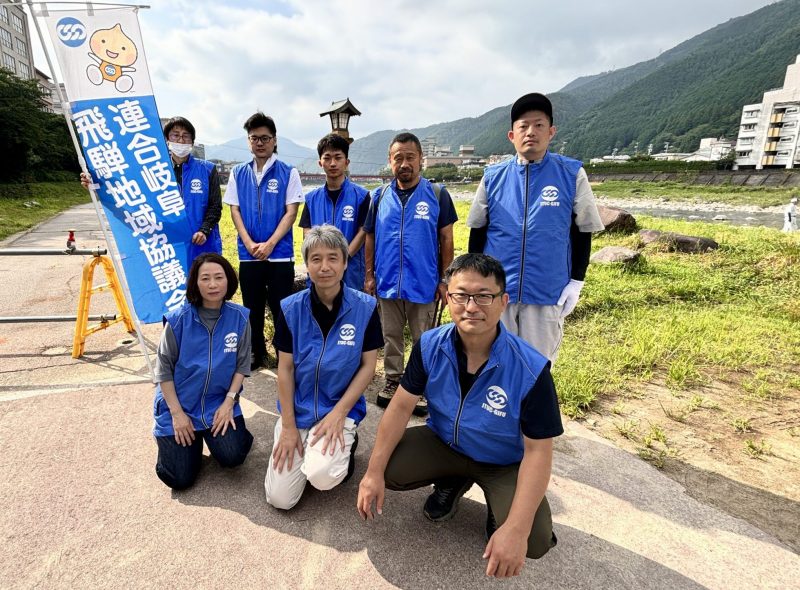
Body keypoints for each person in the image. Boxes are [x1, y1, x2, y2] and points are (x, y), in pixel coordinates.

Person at [357, 254, 562, 578]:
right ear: (447, 298)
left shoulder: (530, 369)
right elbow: (399, 407)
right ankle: (453, 480)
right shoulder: (429, 346)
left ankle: (500, 509)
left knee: (534, 540)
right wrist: (373, 472)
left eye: (484, 296)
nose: (471, 306)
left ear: (503, 301)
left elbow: (539, 451)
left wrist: (516, 529)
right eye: (461, 295)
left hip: (503, 462)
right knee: (388, 468)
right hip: (445, 442)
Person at [466, 93, 604, 362]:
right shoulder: (493, 177)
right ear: (511, 135)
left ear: (551, 131)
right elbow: (478, 230)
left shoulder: (571, 173)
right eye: (523, 126)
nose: (531, 132)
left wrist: (576, 280)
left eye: (539, 125)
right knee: (492, 360)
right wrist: (475, 281)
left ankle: (532, 406)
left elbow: (582, 230)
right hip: (497, 290)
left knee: (536, 366)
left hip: (546, 289)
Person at [265, 225, 382, 509]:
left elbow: (368, 365)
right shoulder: (290, 308)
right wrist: (290, 426)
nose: (324, 266)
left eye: (332, 258)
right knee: (280, 499)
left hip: (338, 406)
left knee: (323, 477)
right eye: (316, 259)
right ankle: (301, 441)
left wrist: (340, 413)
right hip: (300, 407)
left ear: (344, 262)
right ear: (307, 265)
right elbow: (285, 369)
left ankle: (343, 445)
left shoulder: (365, 308)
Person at [364, 132, 457, 415]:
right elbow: (369, 237)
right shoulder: (379, 196)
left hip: (424, 284)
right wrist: (370, 275)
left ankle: (420, 387)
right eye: (398, 158)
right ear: (390, 162)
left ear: (420, 160)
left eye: (410, 157)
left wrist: (445, 280)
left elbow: (447, 240)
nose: (404, 163)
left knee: (424, 339)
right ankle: (393, 381)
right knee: (391, 336)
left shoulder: (438, 195)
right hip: (388, 283)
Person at [152, 252, 254, 490]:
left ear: (228, 280)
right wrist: (177, 414)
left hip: (217, 404)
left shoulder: (240, 317)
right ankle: (184, 442)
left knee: (234, 457)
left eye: (219, 277)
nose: (212, 284)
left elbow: (241, 365)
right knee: (179, 478)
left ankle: (211, 436)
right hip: (179, 405)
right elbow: (163, 371)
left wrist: (229, 402)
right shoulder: (178, 320)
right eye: (205, 278)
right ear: (195, 283)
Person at [80, 116, 223, 265]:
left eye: (186, 136)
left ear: (192, 141)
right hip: (168, 245)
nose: (180, 140)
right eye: (175, 135)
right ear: (166, 140)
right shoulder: (153, 171)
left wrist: (204, 230)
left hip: (202, 244)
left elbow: (215, 206)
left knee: (205, 285)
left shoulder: (207, 169)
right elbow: (126, 190)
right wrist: (98, 186)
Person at [223, 112, 304, 370]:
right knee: (252, 307)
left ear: (274, 140)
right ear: (248, 141)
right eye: (254, 138)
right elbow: (234, 210)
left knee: (282, 308)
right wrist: (248, 243)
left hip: (279, 254)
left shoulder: (288, 173)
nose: (260, 143)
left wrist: (269, 243)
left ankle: (284, 354)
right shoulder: (238, 173)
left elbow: (291, 212)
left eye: (265, 138)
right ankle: (257, 353)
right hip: (248, 254)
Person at [299, 133, 371, 291]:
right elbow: (307, 232)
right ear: (320, 163)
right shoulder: (311, 198)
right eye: (327, 158)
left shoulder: (362, 196)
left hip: (351, 271)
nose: (333, 163)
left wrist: (343, 258)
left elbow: (363, 232)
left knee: (352, 312)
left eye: (338, 157)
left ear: (346, 162)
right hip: (320, 272)